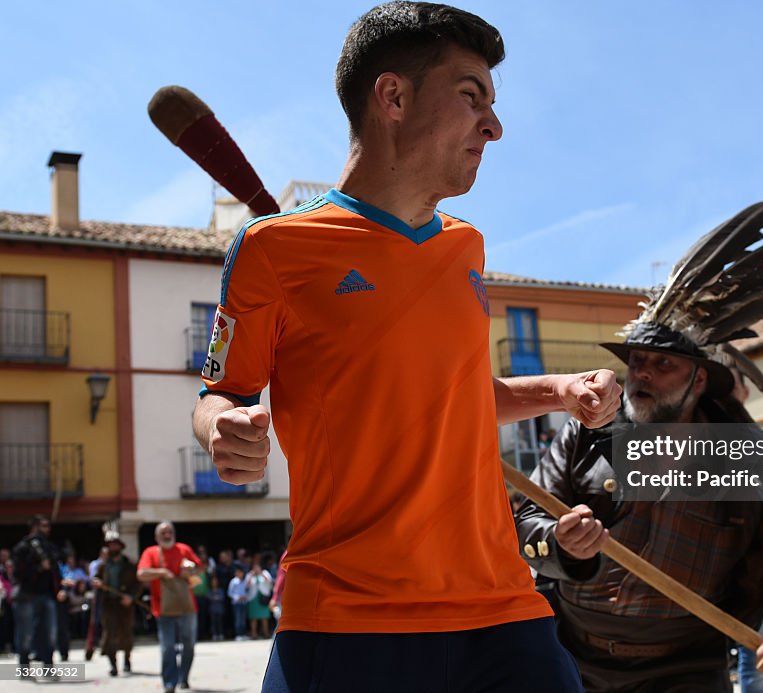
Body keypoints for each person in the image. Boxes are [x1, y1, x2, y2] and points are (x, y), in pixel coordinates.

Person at [191, 3, 621, 692]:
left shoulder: (467, 247)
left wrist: (557, 390)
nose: (495, 125)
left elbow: (452, 394)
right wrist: (222, 428)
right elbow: (222, 392)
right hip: (347, 619)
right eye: (471, 96)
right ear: (392, 95)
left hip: (503, 609)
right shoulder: (272, 248)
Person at [515, 240, 763, 692]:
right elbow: (526, 518)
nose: (643, 375)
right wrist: (560, 542)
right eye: (637, 362)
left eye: (662, 363)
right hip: (570, 656)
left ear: (698, 379)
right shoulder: (587, 431)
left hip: (686, 670)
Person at [137, 521, 201, 693]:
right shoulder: (151, 553)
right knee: (167, 647)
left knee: (189, 644)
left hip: (187, 606)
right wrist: (161, 572)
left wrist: (190, 570)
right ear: (157, 536)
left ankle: (184, 677)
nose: (167, 535)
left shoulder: (184, 549)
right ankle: (169, 683)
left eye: (169, 531)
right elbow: (141, 574)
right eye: (163, 532)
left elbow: (199, 568)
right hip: (163, 608)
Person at [11, 515, 62, 675]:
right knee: (26, 634)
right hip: (27, 596)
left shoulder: (49, 547)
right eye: (44, 526)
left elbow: (56, 569)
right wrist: (38, 567)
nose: (47, 529)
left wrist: (61, 588)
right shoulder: (22, 548)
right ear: (34, 527)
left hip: (48, 595)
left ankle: (48, 667)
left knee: (49, 634)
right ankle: (24, 668)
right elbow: (18, 574)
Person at [92, 531, 138, 677]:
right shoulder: (103, 566)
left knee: (126, 632)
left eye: (114, 545)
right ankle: (113, 665)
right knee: (109, 634)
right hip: (109, 604)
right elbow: (96, 579)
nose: (112, 548)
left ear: (120, 546)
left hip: (124, 604)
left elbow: (138, 584)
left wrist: (131, 597)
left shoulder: (129, 564)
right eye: (110, 545)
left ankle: (127, 661)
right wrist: (97, 582)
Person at [246, 553, 273, 639]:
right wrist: (251, 576)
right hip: (253, 598)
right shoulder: (249, 575)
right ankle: (254, 634)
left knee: (264, 617)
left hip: (263, 598)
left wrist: (261, 574)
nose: (256, 569)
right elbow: (247, 586)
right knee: (253, 618)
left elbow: (270, 583)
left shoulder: (265, 573)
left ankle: (266, 633)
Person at [227, 564, 249, 641]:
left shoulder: (245, 581)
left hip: (244, 602)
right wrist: (237, 597)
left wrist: (245, 596)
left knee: (243, 619)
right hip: (236, 603)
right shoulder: (233, 581)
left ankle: (243, 634)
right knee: (238, 619)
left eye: (240, 572)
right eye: (238, 572)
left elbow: (247, 591)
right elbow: (229, 593)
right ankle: (238, 635)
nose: (239, 574)